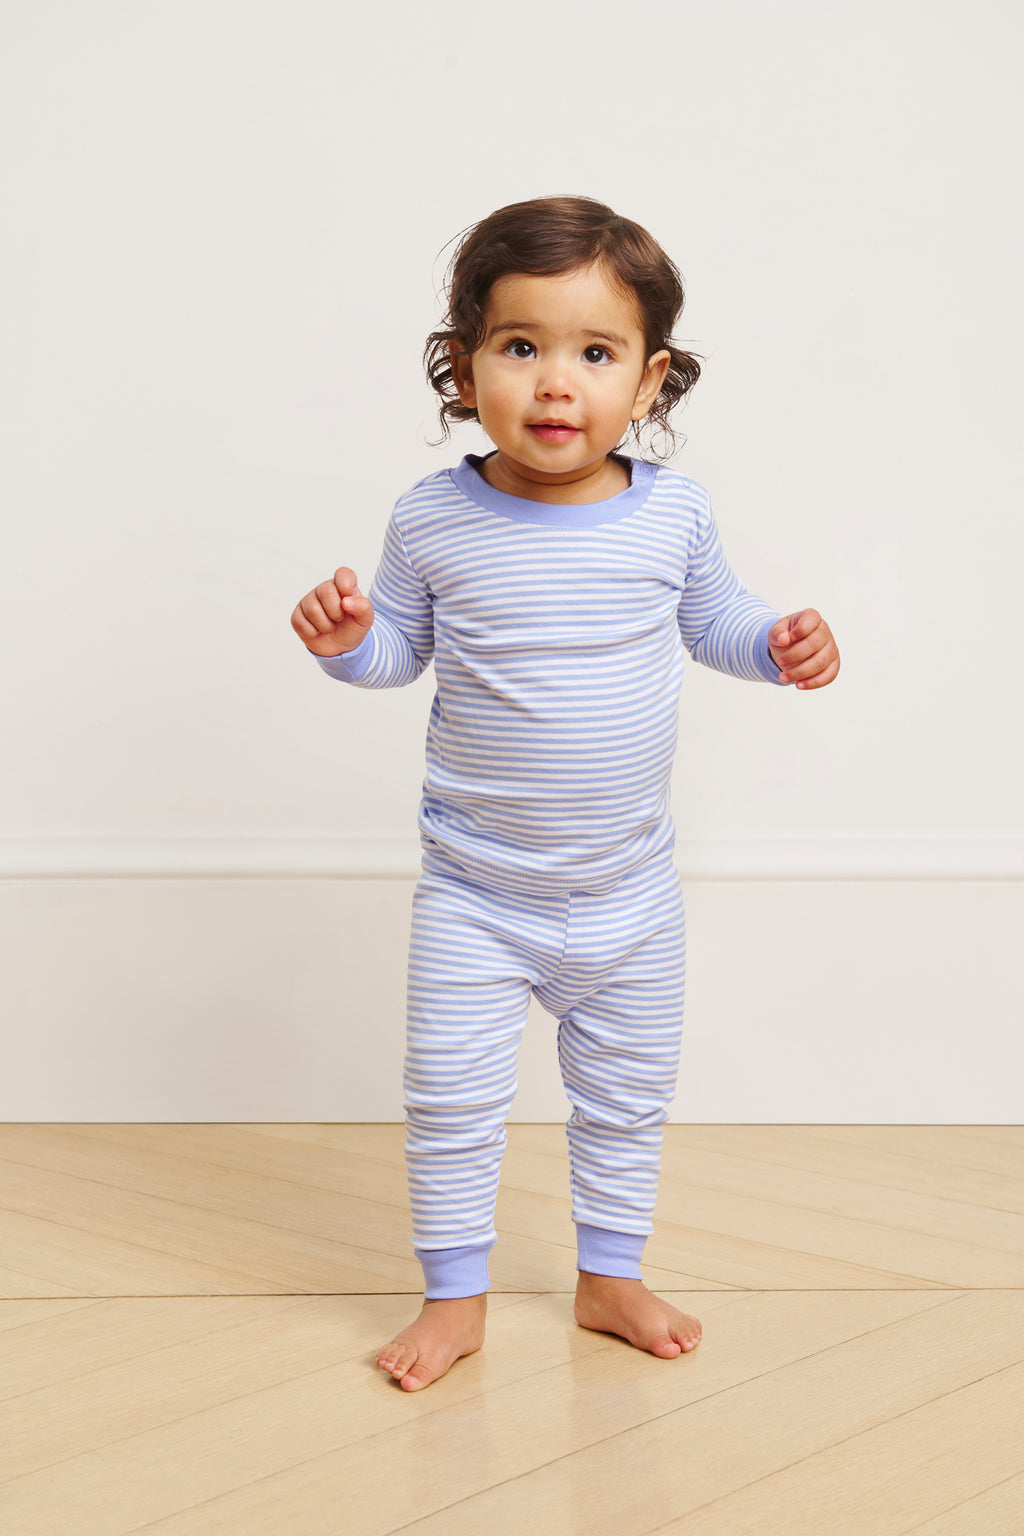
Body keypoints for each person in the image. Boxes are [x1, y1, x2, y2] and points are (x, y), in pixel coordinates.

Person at [290, 196, 840, 1392]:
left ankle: (608, 1273)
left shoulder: (673, 514)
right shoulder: (433, 517)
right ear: (463, 366)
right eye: (520, 346)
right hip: (478, 895)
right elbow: (401, 657)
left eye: (595, 354)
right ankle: (453, 1295)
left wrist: (778, 642)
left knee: (627, 1097)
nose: (555, 383)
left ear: (649, 384)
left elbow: (717, 623)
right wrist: (347, 640)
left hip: (630, 892)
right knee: (449, 1100)